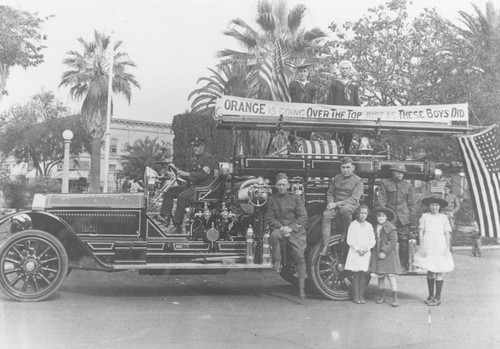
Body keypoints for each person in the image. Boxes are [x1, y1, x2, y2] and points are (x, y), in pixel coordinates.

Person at [160, 137, 216, 233]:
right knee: (170, 192)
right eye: (194, 146)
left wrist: (187, 174)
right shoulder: (193, 159)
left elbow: (203, 175)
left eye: (197, 146)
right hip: (192, 187)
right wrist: (179, 173)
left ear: (203, 146)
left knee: (182, 196)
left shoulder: (208, 158)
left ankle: (177, 225)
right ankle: (166, 217)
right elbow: (191, 176)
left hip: (202, 188)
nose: (195, 148)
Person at [266, 173, 308, 299]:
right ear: (275, 185)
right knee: (274, 236)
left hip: (296, 230)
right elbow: (270, 218)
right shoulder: (272, 199)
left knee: (300, 256)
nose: (281, 187)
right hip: (281, 228)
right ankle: (277, 261)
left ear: (288, 185)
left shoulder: (295, 198)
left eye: (284, 184)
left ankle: (301, 288)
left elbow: (303, 216)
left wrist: (291, 228)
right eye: (279, 185)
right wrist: (282, 228)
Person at [415, 197, 454, 306]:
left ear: (440, 207)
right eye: (432, 205)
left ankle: (438, 297)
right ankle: (430, 295)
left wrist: (447, 248)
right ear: (429, 206)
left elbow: (447, 234)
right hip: (428, 245)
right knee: (430, 271)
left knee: (439, 270)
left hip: (440, 246)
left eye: (436, 205)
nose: (434, 207)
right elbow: (421, 232)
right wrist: (422, 247)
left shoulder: (444, 218)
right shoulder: (424, 217)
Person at [321, 157, 364, 256]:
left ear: (353, 168)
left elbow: (354, 199)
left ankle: (347, 232)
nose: (346, 170)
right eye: (343, 167)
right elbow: (330, 193)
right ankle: (325, 245)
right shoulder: (337, 178)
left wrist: (336, 204)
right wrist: (330, 203)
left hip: (351, 205)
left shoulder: (358, 181)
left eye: (348, 167)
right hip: (336, 205)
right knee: (326, 214)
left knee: (345, 209)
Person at [378, 163, 417, 272]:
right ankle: (387, 265)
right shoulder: (385, 183)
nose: (400, 174)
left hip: (404, 217)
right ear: (392, 172)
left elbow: (411, 204)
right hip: (390, 217)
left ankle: (402, 265)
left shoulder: (407, 186)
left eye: (402, 173)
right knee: (387, 240)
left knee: (404, 240)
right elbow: (382, 201)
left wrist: (413, 222)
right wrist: (383, 217)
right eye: (397, 172)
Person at [369, 207, 401, 307]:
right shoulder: (375, 227)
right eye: (379, 216)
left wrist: (384, 251)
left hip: (388, 255)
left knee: (390, 276)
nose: (380, 218)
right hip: (377, 252)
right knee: (380, 275)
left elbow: (393, 241)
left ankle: (395, 297)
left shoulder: (390, 228)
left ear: (386, 217)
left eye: (382, 216)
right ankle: (381, 295)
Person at [326, 60, 360, 153]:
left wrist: (359, 112)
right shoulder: (335, 83)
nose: (344, 70)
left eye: (346, 68)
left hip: (350, 114)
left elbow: (356, 100)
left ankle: (346, 153)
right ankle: (338, 153)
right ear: (340, 70)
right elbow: (331, 98)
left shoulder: (354, 84)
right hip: (338, 113)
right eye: (342, 68)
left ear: (350, 70)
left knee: (348, 135)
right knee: (338, 135)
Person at [345, 205, 375, 304]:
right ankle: (355, 296)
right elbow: (350, 239)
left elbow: (372, 240)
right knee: (356, 275)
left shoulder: (369, 226)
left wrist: (366, 249)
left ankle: (362, 296)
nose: (363, 215)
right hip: (355, 252)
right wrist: (358, 249)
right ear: (358, 214)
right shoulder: (353, 224)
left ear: (367, 214)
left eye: (365, 213)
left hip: (365, 253)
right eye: (361, 213)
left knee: (363, 275)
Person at [289, 62, 317, 140]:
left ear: (308, 73)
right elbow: (289, 98)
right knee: (294, 134)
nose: (302, 73)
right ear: (297, 73)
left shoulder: (312, 86)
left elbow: (314, 100)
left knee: (306, 134)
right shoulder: (292, 84)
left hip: (307, 113)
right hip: (295, 112)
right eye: (300, 71)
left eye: (304, 71)